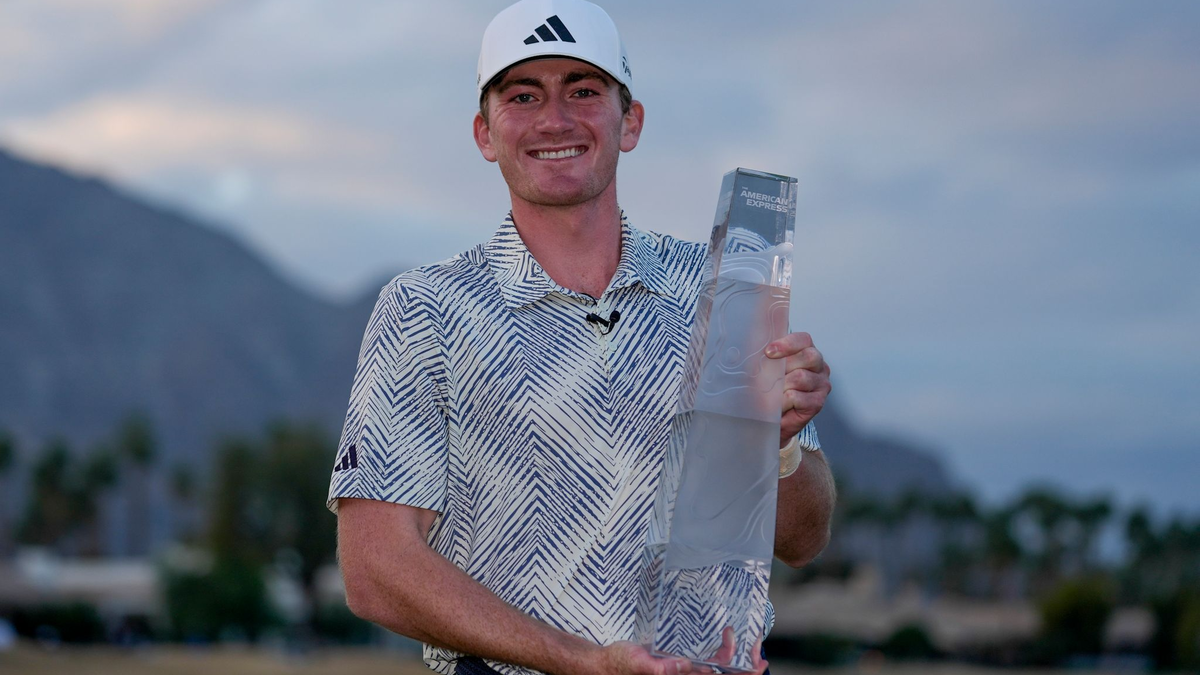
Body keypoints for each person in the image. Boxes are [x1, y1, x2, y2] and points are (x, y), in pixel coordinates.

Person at [328, 1, 835, 673]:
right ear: (485, 133)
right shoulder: (427, 309)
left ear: (631, 122)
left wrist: (774, 444)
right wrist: (582, 659)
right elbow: (374, 568)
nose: (555, 119)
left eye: (584, 91)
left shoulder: (718, 288)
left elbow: (804, 538)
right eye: (524, 95)